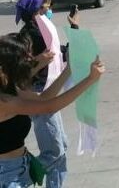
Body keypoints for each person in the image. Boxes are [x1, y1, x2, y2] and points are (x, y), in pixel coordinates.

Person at [0, 33, 104, 187]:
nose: (30, 59)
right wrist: (90, 79)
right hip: (8, 175)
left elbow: (45, 98)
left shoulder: (10, 89)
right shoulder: (5, 101)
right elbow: (50, 106)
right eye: (25, 58)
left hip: (19, 167)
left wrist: (69, 69)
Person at [16, 0, 69, 188]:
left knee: (62, 147)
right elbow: (24, 70)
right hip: (39, 92)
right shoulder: (32, 34)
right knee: (53, 152)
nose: (49, 10)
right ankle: (17, 178)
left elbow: (58, 52)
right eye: (44, 7)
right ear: (35, 11)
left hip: (47, 89)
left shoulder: (40, 29)